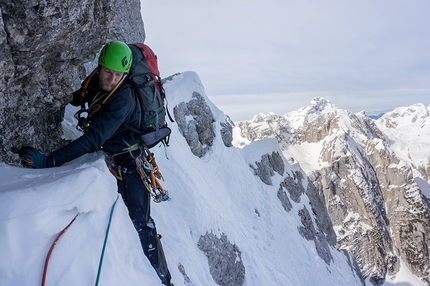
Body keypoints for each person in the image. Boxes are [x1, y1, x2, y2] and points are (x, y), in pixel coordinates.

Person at [19, 41, 173, 286]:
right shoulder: (98, 79)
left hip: (130, 160)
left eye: (118, 75)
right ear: (99, 67)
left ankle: (163, 280)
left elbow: (93, 139)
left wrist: (50, 160)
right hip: (117, 154)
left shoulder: (124, 99)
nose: (112, 79)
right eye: (108, 72)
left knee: (142, 223)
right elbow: (85, 95)